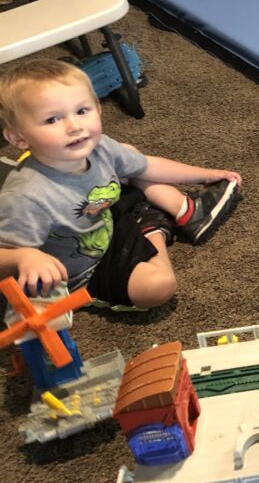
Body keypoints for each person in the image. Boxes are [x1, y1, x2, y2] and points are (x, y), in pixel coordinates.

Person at [0, 59, 242, 309]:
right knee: (158, 287)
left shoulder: (99, 146)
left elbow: (148, 165)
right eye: (52, 120)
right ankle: (152, 228)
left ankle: (184, 209)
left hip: (106, 216)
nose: (75, 126)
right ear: (18, 138)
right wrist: (24, 256)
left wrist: (204, 174)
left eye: (82, 111)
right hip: (87, 270)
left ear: (98, 108)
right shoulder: (25, 197)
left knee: (127, 153)